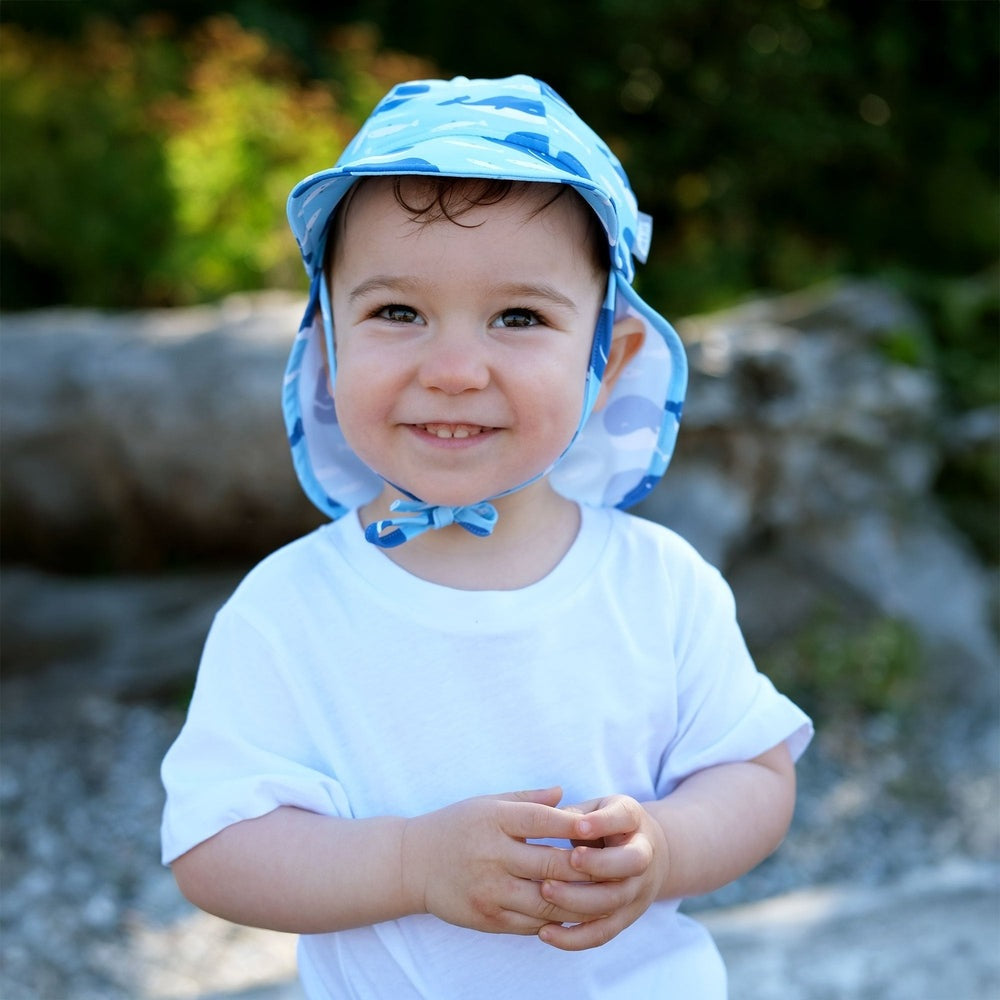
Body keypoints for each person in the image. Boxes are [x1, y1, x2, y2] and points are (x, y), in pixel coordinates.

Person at [160, 75, 812, 998]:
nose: (456, 369)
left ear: (608, 358)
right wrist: (410, 864)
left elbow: (753, 773)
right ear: (328, 344)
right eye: (397, 313)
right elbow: (216, 845)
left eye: (519, 317)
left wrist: (664, 847)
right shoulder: (289, 609)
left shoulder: (659, 584)